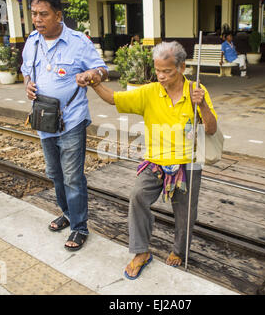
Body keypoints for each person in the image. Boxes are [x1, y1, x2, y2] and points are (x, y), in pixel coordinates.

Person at [76, 41, 218, 280]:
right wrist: (96, 83)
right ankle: (141, 252)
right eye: (158, 70)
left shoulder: (196, 90)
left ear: (182, 67)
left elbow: (211, 129)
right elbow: (113, 99)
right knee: (138, 196)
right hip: (155, 161)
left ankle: (179, 251)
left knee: (185, 212)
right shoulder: (150, 91)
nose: (160, 76)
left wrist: (201, 104)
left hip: (187, 162)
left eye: (167, 71)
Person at [21, 0, 108, 251]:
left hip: (71, 119)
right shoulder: (32, 42)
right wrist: (28, 84)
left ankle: (79, 227)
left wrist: (92, 74)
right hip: (44, 120)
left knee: (72, 176)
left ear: (58, 15)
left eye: (43, 14)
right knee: (55, 173)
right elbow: (26, 70)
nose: (37, 19)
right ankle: (67, 213)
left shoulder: (78, 42)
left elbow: (103, 69)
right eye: (34, 13)